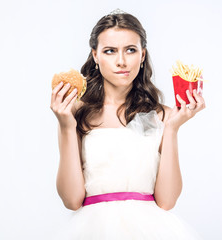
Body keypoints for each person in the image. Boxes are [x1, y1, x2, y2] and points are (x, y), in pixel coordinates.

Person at [50, 9, 205, 240]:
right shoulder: (75, 112)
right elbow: (72, 200)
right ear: (95, 55)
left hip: (152, 231)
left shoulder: (163, 115)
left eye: (130, 50)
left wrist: (172, 129)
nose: (121, 61)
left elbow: (167, 201)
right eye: (110, 51)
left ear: (142, 55)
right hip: (93, 230)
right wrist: (65, 126)